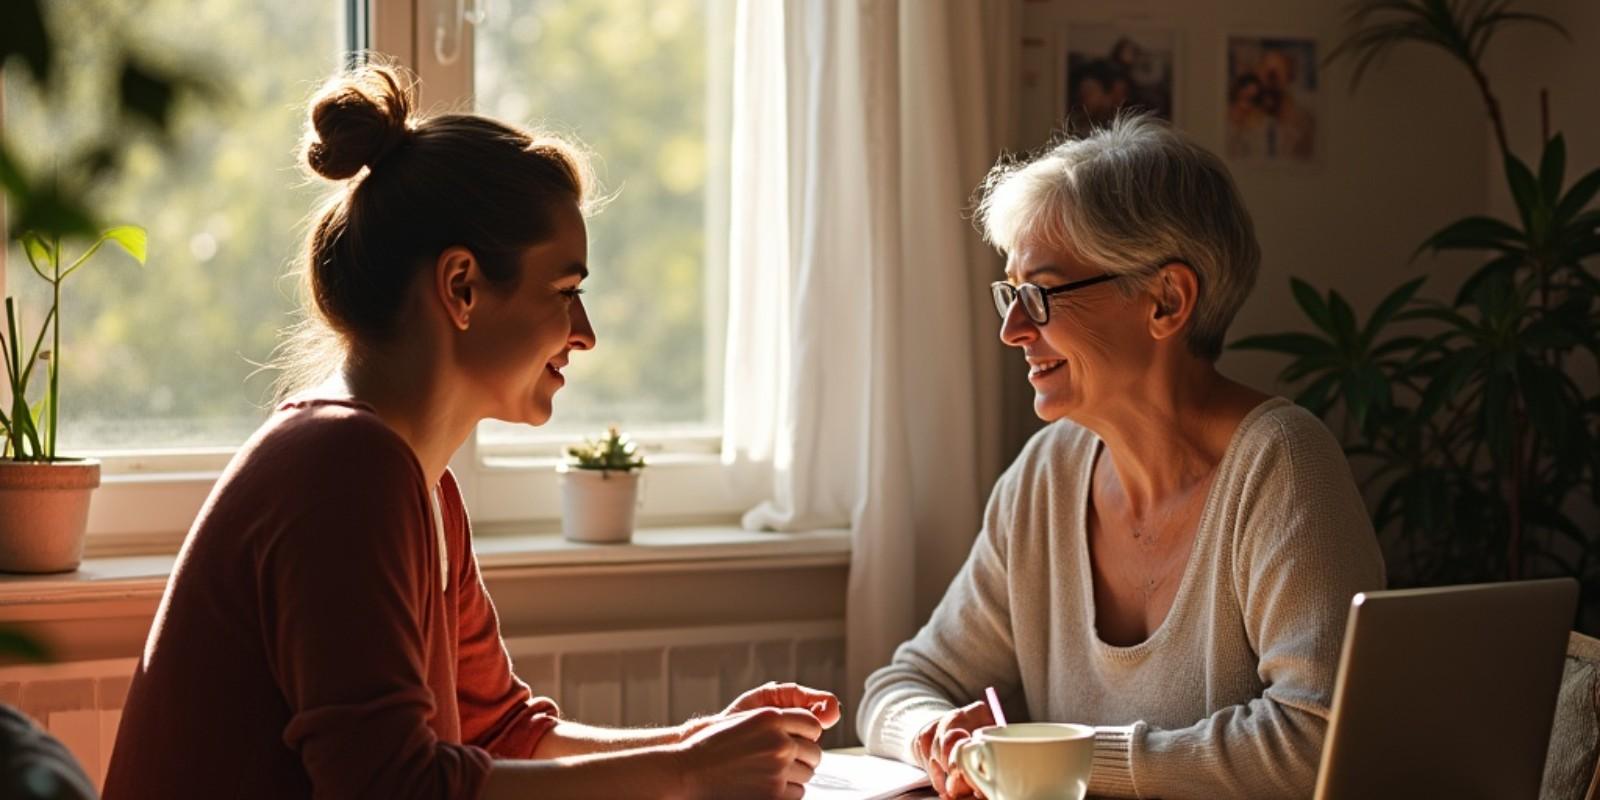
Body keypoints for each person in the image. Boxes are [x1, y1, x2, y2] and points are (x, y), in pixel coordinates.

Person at [102, 64, 838, 800]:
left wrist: (701, 745)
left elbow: (501, 731)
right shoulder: (343, 468)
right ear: (461, 287)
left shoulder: (421, 485)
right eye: (566, 291)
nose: (585, 333)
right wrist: (690, 773)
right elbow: (394, 789)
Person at [856, 114, 1384, 799]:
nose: (1012, 329)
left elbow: (1315, 743)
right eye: (1011, 293)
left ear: (1167, 300)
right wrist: (934, 733)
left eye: (1040, 294)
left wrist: (1053, 760)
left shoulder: (1281, 465)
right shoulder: (1046, 476)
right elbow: (903, 683)